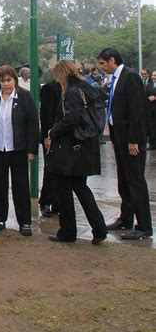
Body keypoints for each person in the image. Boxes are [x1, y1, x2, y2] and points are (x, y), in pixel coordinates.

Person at [45, 60, 107, 244]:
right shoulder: (86, 87)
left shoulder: (71, 92)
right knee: (81, 188)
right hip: (84, 147)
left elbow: (70, 119)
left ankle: (68, 231)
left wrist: (52, 132)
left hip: (71, 149)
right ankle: (99, 228)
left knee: (63, 190)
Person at [98, 48, 152, 239]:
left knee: (135, 180)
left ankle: (144, 225)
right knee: (124, 180)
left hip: (131, 140)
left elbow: (137, 111)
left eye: (103, 64)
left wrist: (134, 140)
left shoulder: (130, 78)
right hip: (118, 138)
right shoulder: (115, 79)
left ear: (112, 60)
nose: (102, 68)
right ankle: (126, 217)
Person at [0, 65, 39, 236]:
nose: (6, 84)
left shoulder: (24, 97)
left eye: (9, 80)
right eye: (2, 81)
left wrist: (32, 148)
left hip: (18, 148)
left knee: (20, 185)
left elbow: (33, 123)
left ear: (15, 80)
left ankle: (24, 221)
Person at [38, 79, 62, 217]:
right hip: (51, 134)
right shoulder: (49, 88)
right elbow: (45, 114)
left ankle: (58, 202)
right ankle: (46, 200)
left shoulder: (71, 88)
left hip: (64, 136)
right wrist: (47, 136)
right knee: (50, 169)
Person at [147, 71, 156, 150]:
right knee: (151, 127)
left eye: (155, 75)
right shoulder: (149, 85)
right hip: (151, 110)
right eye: (153, 75)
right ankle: (152, 144)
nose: (154, 77)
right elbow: (145, 95)